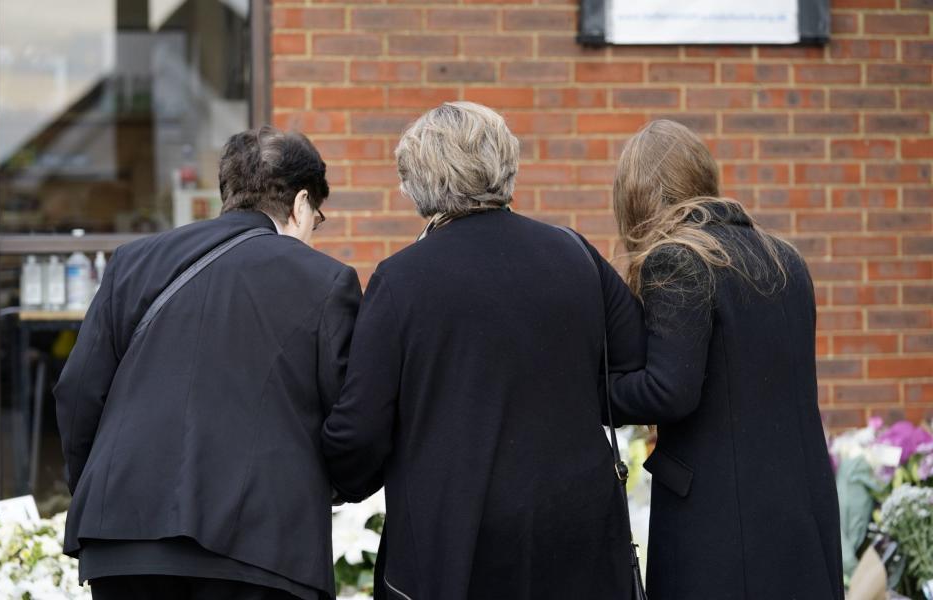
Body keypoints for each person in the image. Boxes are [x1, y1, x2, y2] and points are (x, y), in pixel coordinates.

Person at [321, 102, 647, 599]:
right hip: (577, 531)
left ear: (418, 184)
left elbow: (361, 424)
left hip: (456, 541)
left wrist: (340, 482)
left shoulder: (402, 278)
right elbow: (633, 364)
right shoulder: (574, 253)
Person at [54, 126, 361, 600]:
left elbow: (77, 392)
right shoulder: (326, 281)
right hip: (261, 548)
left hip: (123, 542)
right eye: (316, 219)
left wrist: (102, 487)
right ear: (301, 204)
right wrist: (333, 489)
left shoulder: (133, 261)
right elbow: (348, 419)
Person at [608, 120, 843, 599]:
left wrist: (590, 389)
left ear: (638, 198)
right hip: (801, 513)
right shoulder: (786, 258)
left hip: (720, 528)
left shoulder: (679, 258)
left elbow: (667, 390)